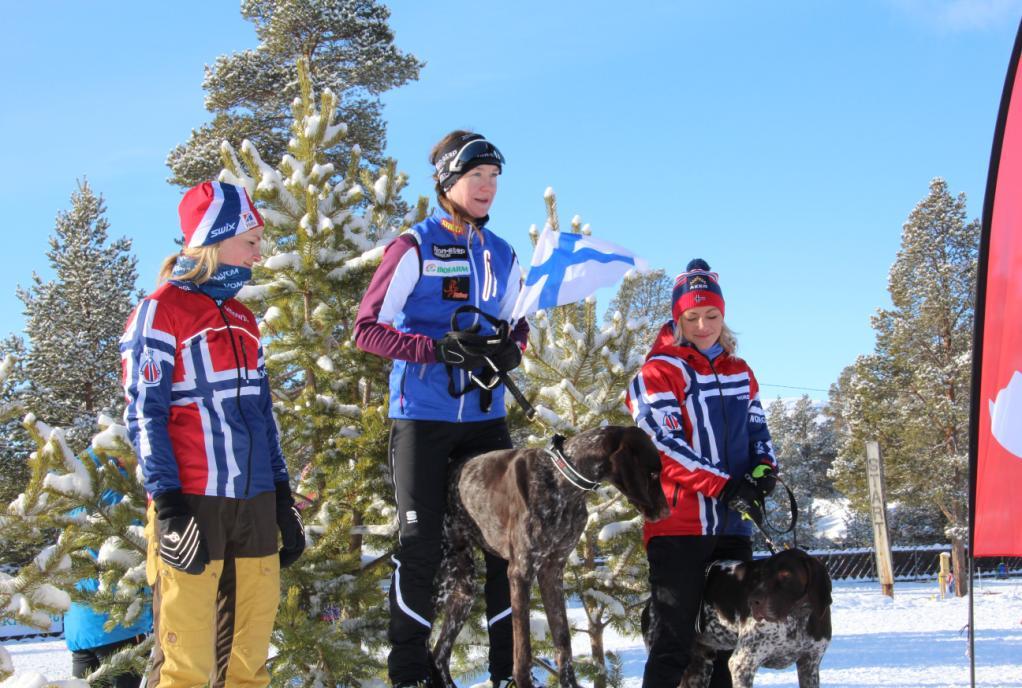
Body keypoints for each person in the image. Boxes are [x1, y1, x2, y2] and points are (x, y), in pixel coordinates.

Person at [354, 131, 527, 688]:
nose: (487, 188)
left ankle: (509, 674)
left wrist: (511, 348)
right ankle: (408, 676)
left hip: (485, 419)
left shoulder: (502, 253)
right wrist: (435, 349)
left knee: (507, 549)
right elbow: (368, 330)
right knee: (420, 544)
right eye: (477, 177)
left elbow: (517, 321)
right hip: (422, 416)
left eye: (494, 178)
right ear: (449, 182)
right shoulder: (414, 246)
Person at [121, 181, 305, 688]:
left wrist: (282, 498)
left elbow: (263, 415)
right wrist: (170, 505)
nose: (259, 252)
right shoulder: (160, 310)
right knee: (185, 665)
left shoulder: (245, 319)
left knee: (249, 662)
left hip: (255, 503)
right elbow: (144, 415)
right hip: (194, 501)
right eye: (250, 240)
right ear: (215, 239)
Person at [626, 259, 778, 688]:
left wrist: (763, 470)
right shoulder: (657, 372)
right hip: (679, 527)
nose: (703, 324)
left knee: (728, 644)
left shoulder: (739, 370)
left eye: (711, 315)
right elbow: (663, 447)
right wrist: (725, 486)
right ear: (677, 319)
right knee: (674, 641)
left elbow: (758, 429)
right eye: (691, 317)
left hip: (733, 526)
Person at [65, 450, 152, 687]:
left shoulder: (78, 490)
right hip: (119, 624)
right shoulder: (124, 496)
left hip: (79, 628)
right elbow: (144, 555)